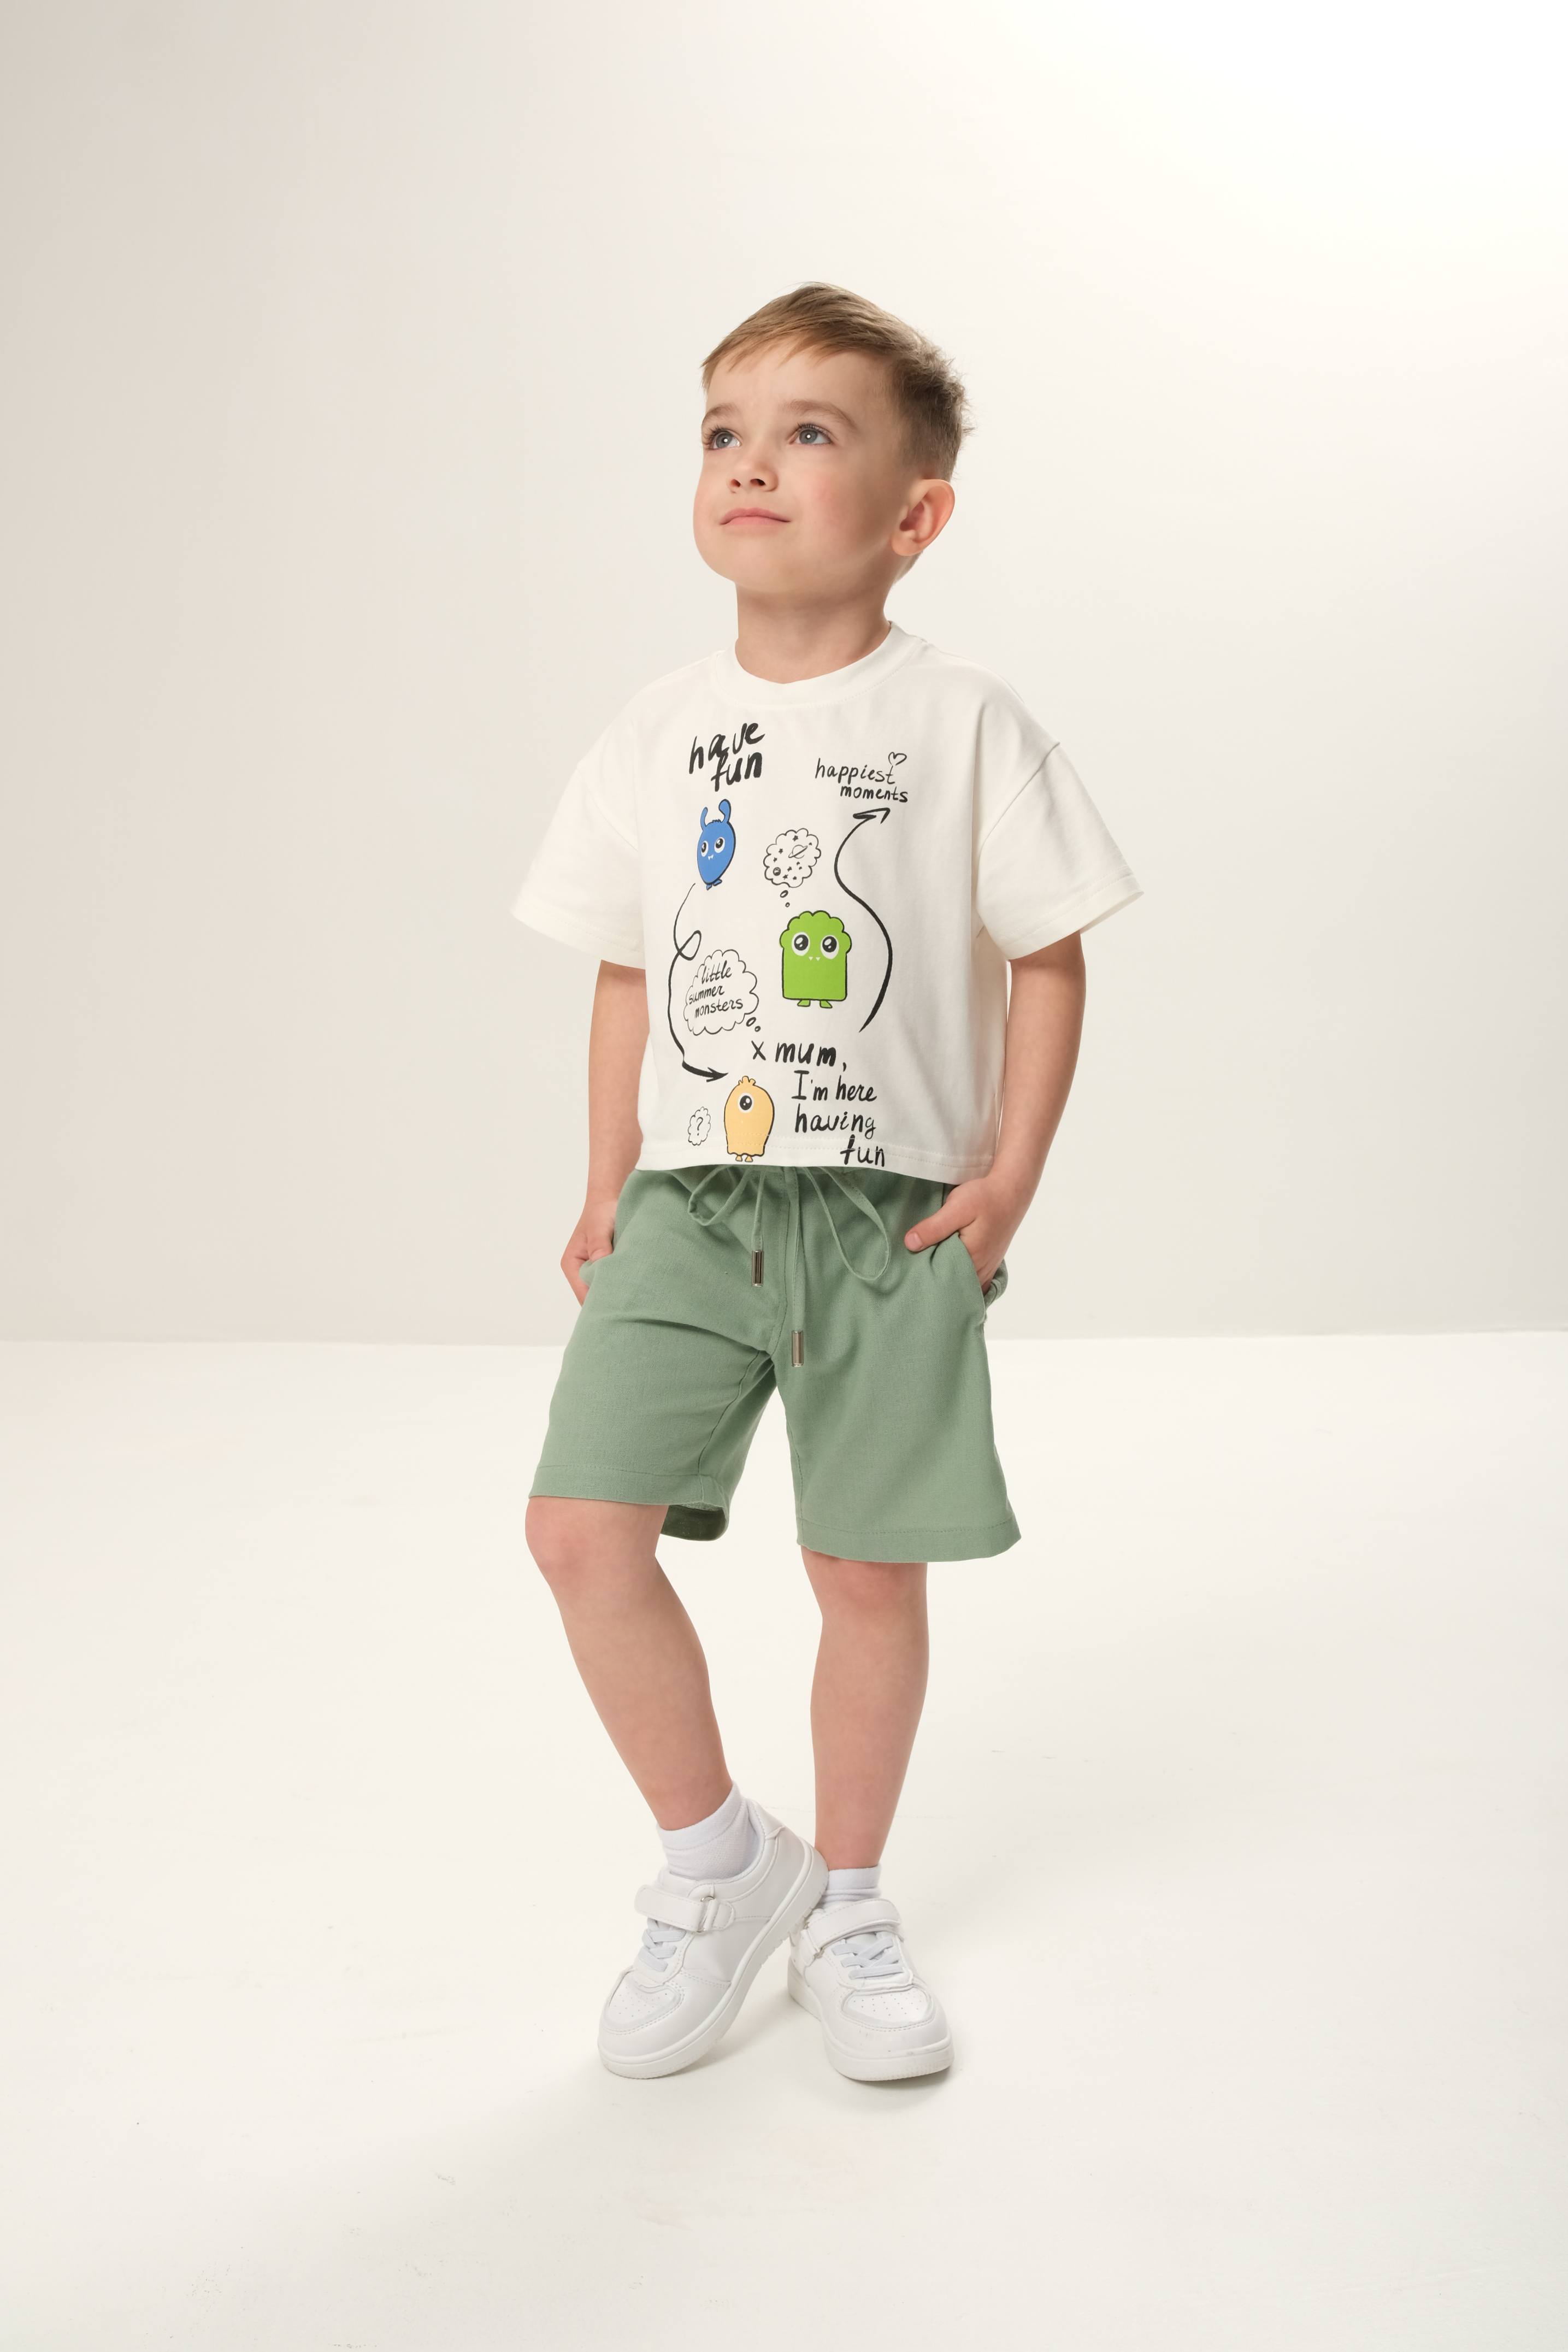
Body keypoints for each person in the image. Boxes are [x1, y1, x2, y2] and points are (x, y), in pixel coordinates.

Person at [513, 282, 1141, 2082]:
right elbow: (627, 971)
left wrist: (1009, 1177)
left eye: (809, 433)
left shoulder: (964, 721)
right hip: (691, 1205)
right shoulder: (655, 731)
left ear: (914, 513)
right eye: (725, 431)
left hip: (887, 1216)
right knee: (580, 1532)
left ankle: (851, 1901)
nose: (752, 464)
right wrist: (605, 1178)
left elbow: (1050, 953)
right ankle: (722, 1864)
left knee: (865, 1569)